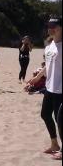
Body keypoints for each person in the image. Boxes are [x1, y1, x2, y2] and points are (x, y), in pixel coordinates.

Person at [29, 16, 62, 156]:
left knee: (60, 120)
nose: (50, 28)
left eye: (54, 26)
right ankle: (54, 144)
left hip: (61, 90)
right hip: (50, 88)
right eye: (49, 26)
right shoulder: (49, 46)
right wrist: (37, 77)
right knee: (45, 115)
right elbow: (47, 66)